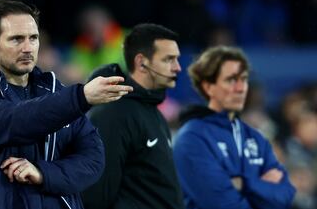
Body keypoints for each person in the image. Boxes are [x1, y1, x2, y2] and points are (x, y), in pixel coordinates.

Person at [0, 0, 133, 209]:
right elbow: (18, 120)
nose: (28, 48)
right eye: (16, 39)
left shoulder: (55, 92)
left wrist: (43, 173)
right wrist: (81, 97)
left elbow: (93, 159)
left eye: (33, 38)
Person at [173, 46, 295, 209]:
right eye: (231, 80)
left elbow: (285, 195)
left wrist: (244, 184)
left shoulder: (254, 137)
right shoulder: (192, 139)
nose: (241, 88)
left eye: (244, 79)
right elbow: (222, 203)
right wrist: (261, 186)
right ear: (208, 87)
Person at [82, 23, 185, 209]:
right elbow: (97, 194)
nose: (178, 67)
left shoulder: (155, 114)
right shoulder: (114, 113)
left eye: (177, 59)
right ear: (141, 63)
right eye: (169, 59)